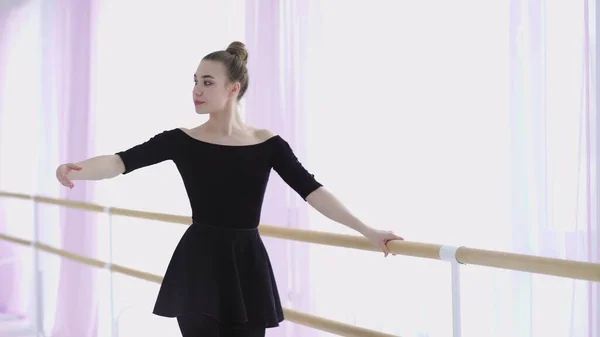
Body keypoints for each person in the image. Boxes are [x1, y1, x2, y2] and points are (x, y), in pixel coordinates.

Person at [55, 41, 403, 337]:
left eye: (207, 82)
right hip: (198, 264)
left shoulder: (269, 144)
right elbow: (120, 162)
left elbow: (313, 191)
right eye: (194, 81)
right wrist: (78, 168)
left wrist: (367, 231)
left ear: (233, 88)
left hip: (247, 265)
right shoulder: (181, 140)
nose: (196, 90)